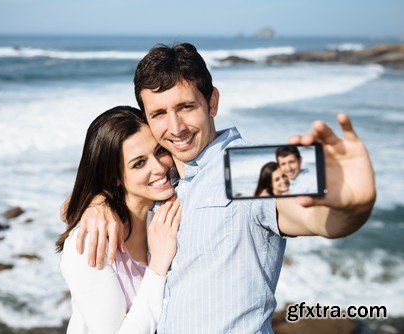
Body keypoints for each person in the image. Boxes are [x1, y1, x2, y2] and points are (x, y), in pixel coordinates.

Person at [64, 43, 376, 333]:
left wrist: (354, 207)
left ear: (212, 101)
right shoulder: (165, 179)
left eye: (186, 107)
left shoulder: (247, 169)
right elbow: (99, 192)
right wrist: (99, 202)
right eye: (159, 114)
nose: (176, 128)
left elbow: (315, 219)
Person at [56, 106, 182, 333]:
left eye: (160, 151)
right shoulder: (90, 243)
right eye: (139, 163)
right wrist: (158, 265)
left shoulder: (165, 209)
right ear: (113, 177)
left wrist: (97, 201)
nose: (159, 167)